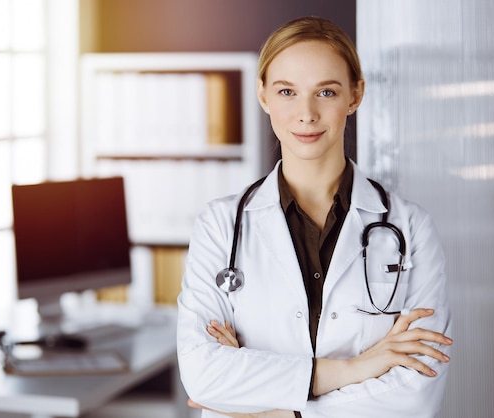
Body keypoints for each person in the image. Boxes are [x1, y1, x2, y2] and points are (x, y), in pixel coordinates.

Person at [177, 16, 453, 418]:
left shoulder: (411, 228)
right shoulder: (220, 226)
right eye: (287, 91)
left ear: (355, 95)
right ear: (263, 95)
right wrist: (357, 368)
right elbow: (203, 375)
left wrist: (278, 412)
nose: (305, 113)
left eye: (326, 91)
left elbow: (414, 392)